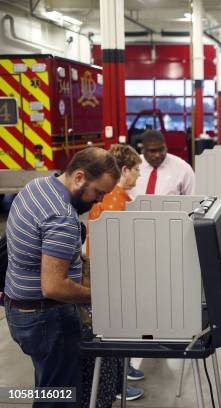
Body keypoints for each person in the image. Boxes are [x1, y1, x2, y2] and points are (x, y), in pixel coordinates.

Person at [3, 148, 119, 406]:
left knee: (49, 387)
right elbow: (54, 286)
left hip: (19, 310)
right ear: (79, 177)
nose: (98, 201)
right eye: (98, 192)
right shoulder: (62, 217)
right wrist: (101, 295)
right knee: (59, 398)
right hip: (47, 319)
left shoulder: (37, 186)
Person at [84, 144, 144, 404]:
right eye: (137, 170)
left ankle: (122, 370)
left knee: (121, 332)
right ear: (125, 169)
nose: (139, 175)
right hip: (109, 279)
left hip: (111, 277)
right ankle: (117, 384)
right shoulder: (114, 204)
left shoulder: (119, 200)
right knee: (114, 333)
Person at [130, 130, 195, 197]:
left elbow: (195, 199)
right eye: (152, 151)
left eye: (161, 149)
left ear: (166, 147)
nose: (157, 155)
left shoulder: (183, 168)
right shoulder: (130, 166)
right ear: (142, 149)